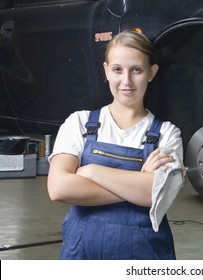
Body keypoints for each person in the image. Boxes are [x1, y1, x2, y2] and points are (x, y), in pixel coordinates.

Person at [47, 29, 184, 260]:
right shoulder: (79, 123)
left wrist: (90, 171)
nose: (126, 81)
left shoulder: (167, 134)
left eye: (137, 70)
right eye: (117, 69)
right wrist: (137, 183)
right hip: (82, 256)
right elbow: (59, 188)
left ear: (152, 73)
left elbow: (156, 195)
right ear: (106, 71)